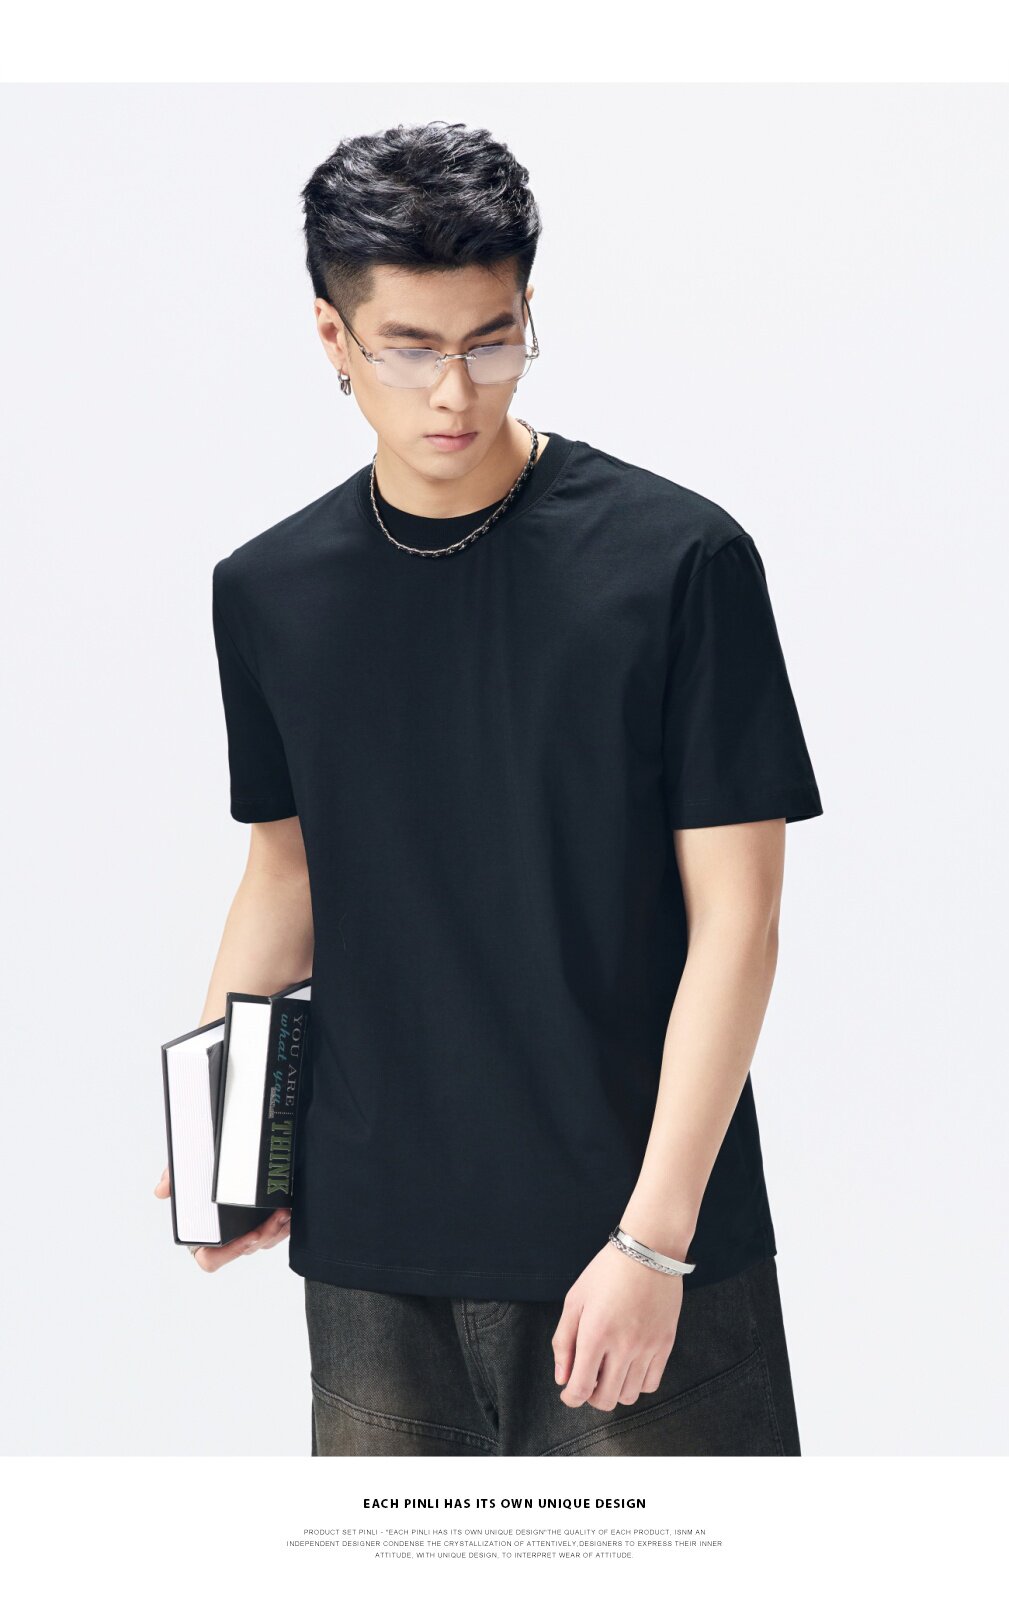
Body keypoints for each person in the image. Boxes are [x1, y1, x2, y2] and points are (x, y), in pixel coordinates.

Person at [155, 119, 823, 1457]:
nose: (454, 391)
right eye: (409, 347)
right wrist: (227, 1140)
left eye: (492, 340)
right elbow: (286, 876)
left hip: (627, 1245)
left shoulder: (678, 562)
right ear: (333, 338)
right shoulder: (271, 592)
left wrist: (655, 1240)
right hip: (372, 1250)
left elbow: (738, 922)